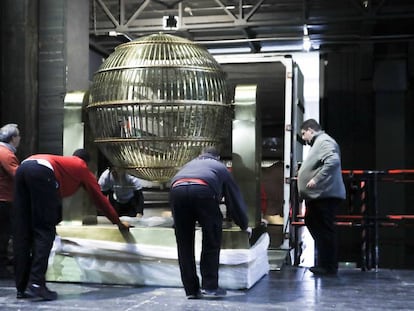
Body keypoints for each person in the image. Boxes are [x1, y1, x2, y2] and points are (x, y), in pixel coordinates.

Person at [13, 149, 131, 301]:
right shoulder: (81, 167)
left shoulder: (65, 164)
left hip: (23, 166)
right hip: (41, 171)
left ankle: (21, 287)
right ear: (87, 162)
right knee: (44, 231)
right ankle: (36, 285)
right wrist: (117, 221)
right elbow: (99, 198)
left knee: (23, 230)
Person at [169, 147, 250, 299]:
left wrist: (177, 221)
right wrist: (244, 224)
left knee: (184, 244)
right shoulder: (221, 168)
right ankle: (210, 286)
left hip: (177, 190)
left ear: (201, 154)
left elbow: (174, 186)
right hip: (203, 190)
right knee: (211, 239)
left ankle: (191, 290)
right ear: (218, 157)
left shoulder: (189, 164)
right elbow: (234, 200)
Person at [297, 119, 346, 276]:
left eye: (304, 134)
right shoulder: (320, 143)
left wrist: (316, 179)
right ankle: (324, 263)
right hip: (319, 196)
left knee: (324, 229)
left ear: (311, 130)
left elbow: (332, 161)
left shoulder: (324, 141)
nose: (304, 139)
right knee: (315, 224)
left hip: (325, 195)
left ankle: (328, 266)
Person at [0, 124, 21, 279]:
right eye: (18, 136)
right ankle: (2, 266)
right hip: (4, 200)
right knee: (4, 234)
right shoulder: (6, 154)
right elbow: (17, 175)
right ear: (13, 138)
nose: (19, 139)